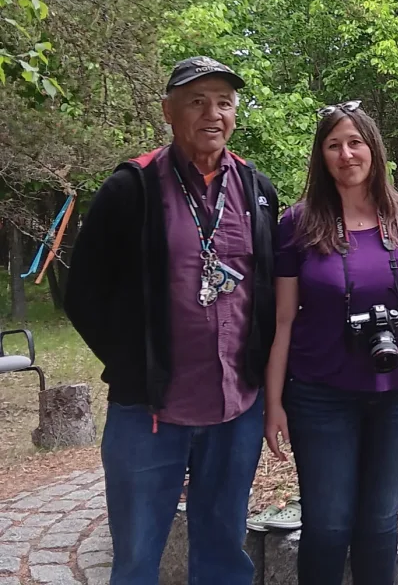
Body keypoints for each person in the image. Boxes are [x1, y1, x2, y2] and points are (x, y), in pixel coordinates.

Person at [65, 56, 279, 585]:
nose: (213, 113)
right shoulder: (130, 190)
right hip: (149, 413)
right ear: (168, 110)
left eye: (224, 102)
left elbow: (270, 291)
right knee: (137, 557)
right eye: (197, 101)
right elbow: (83, 294)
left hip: (236, 409)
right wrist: (136, 363)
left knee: (224, 551)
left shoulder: (256, 190)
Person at [263, 101, 398, 585]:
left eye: (356, 142)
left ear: (374, 149)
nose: (346, 154)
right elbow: (282, 319)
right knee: (327, 525)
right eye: (333, 145)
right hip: (319, 395)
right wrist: (273, 403)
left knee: (378, 522)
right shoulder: (298, 223)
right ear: (320, 156)